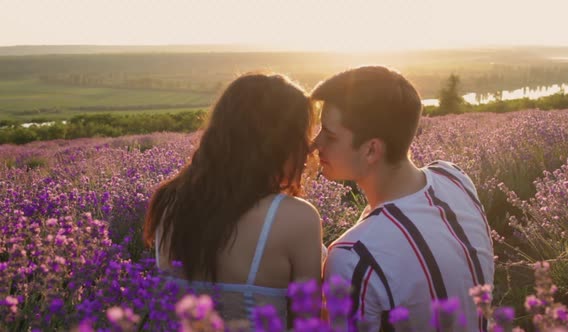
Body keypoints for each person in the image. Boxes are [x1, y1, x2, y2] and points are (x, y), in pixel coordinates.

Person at [314, 66, 494, 332]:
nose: (315, 144)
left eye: (329, 135)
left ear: (371, 149)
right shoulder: (454, 179)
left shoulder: (354, 256)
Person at [143, 73, 323, 326]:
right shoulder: (296, 218)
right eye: (303, 135)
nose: (309, 148)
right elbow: (308, 321)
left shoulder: (168, 202)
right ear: (282, 141)